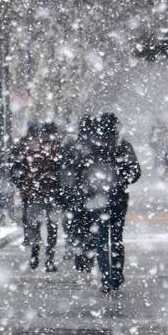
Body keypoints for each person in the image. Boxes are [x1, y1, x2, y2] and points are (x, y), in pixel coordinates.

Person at [84, 112, 141, 298]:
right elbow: (135, 172)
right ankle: (116, 274)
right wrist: (121, 180)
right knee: (116, 237)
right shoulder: (123, 146)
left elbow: (80, 173)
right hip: (118, 198)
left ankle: (106, 278)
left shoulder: (91, 148)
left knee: (101, 238)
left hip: (97, 198)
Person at [10, 122, 64, 271]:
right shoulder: (58, 149)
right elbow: (64, 172)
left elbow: (16, 168)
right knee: (52, 229)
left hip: (34, 194)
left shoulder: (30, 148)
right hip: (53, 194)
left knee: (35, 226)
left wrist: (23, 185)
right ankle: (49, 260)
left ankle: (34, 257)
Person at [60, 115, 97, 271]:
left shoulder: (71, 144)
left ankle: (78, 253)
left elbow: (63, 168)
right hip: (91, 193)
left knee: (75, 224)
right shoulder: (96, 145)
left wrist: (62, 192)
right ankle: (88, 255)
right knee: (90, 225)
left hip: (73, 193)